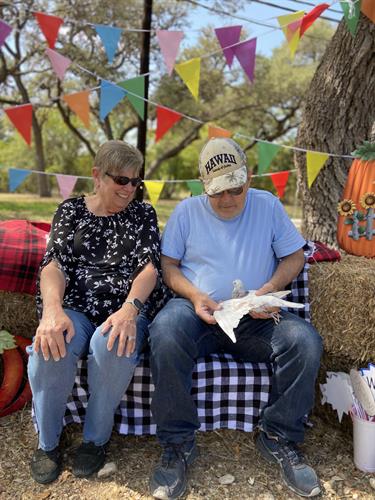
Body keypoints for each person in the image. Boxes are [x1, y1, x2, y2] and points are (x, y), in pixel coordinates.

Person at [148, 137, 323, 499]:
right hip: (200, 311)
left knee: (304, 342)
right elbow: (168, 267)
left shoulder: (269, 206)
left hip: (254, 315)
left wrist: (268, 290)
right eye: (217, 193)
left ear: (250, 179)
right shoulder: (185, 211)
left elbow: (295, 257)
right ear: (201, 185)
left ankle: (279, 436)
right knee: (165, 330)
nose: (227, 200)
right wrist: (196, 295)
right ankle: (178, 444)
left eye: (235, 190)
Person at [28, 140, 168, 484]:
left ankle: (95, 441)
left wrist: (129, 310)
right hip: (75, 305)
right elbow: (54, 264)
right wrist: (52, 310)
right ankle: (48, 443)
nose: (129, 189)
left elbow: (149, 268)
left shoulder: (142, 213)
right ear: (97, 175)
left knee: (114, 343)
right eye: (121, 180)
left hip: (125, 306)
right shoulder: (71, 210)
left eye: (135, 181)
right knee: (51, 344)